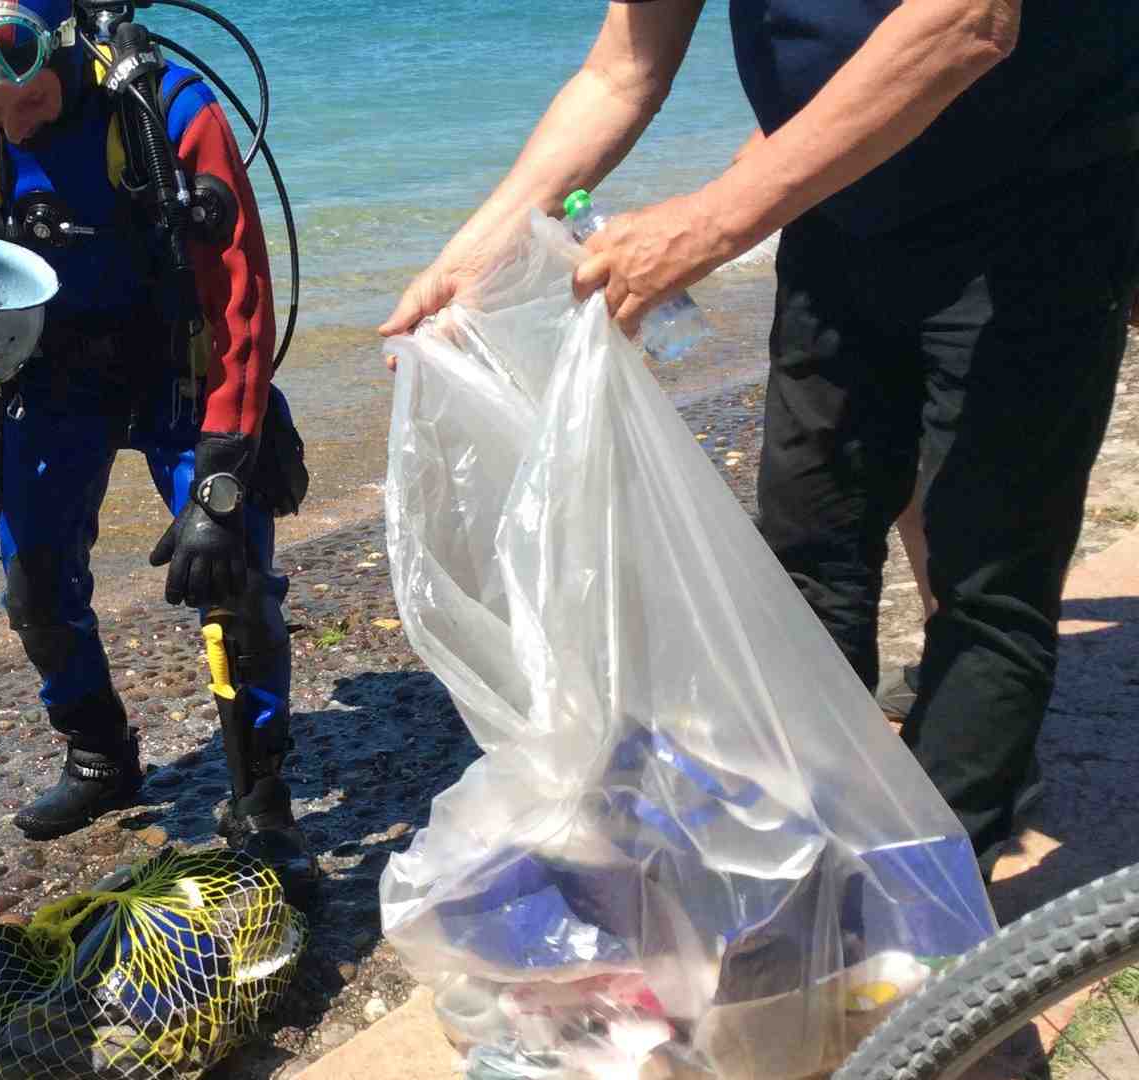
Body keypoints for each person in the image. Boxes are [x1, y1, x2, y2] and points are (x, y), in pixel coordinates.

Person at [382, 0, 1138, 875]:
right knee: (808, 552)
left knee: (985, 582)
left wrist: (709, 223)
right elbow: (620, 69)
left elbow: (966, 21)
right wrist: (475, 252)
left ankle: (929, 934)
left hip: (1038, 212)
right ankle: (811, 865)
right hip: (838, 203)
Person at [0, 0, 316, 905]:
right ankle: (99, 753)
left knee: (234, 578)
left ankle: (261, 795)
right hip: (51, 375)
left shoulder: (170, 111)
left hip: (179, 363)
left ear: (68, 49)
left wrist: (225, 469)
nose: (9, 121)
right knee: (33, 582)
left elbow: (240, 297)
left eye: (27, 103)